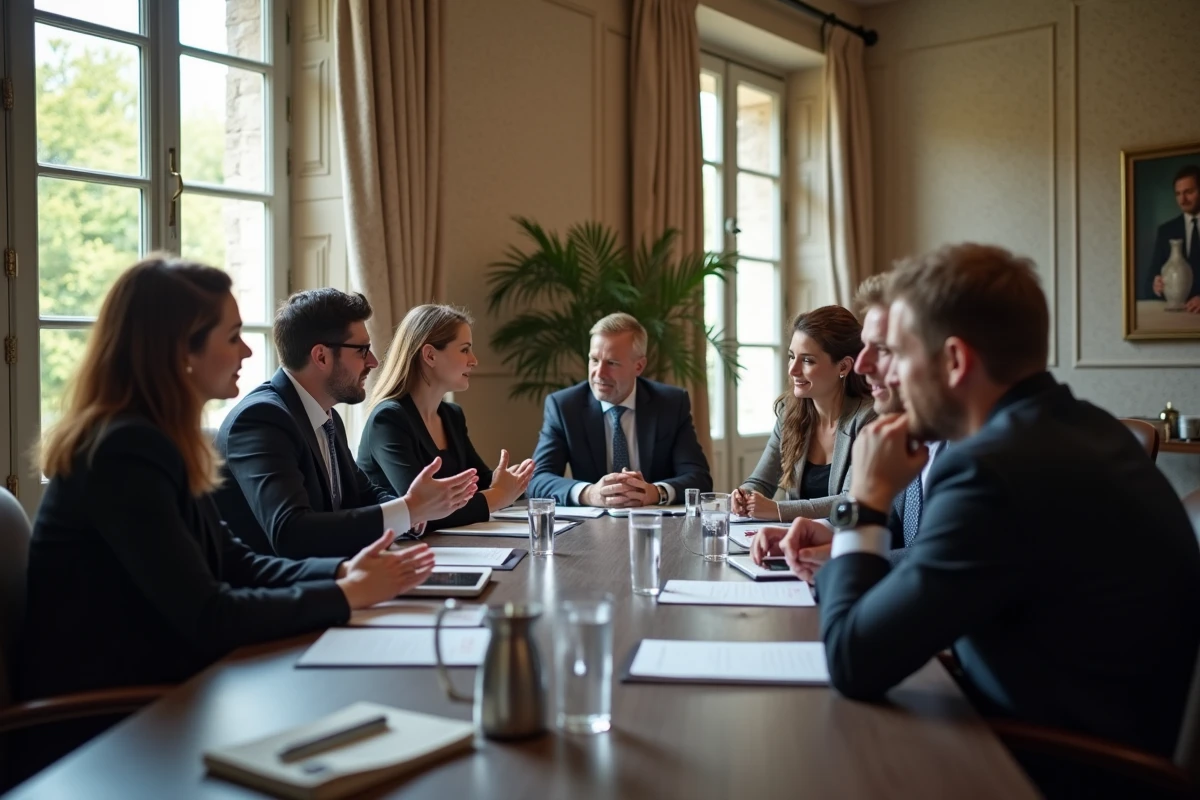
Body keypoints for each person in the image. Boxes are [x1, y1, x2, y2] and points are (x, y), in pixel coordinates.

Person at [800, 244, 1200, 794]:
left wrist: (862, 504)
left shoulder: (994, 471)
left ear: (956, 361)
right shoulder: (1084, 429)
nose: (868, 367)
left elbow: (852, 661)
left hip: (1049, 771)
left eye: (894, 350)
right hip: (1046, 727)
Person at [19, 257, 437, 773]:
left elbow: (235, 562)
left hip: (169, 692)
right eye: (233, 335)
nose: (245, 350)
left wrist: (342, 573)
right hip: (113, 730)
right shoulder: (122, 451)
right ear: (181, 350)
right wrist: (345, 593)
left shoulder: (158, 438)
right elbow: (208, 614)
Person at [214, 289, 478, 558]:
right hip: (281, 593)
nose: (373, 362)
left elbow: (363, 494)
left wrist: (417, 512)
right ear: (321, 357)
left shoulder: (327, 417)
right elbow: (292, 533)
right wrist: (409, 509)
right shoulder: (261, 419)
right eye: (362, 350)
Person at [753, 275, 944, 576]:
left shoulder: (970, 453)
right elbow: (893, 529)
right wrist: (827, 539)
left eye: (883, 349)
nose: (863, 364)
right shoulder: (914, 434)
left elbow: (934, 562)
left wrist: (842, 558)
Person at [358, 305, 535, 530]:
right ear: (430, 355)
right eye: (464, 350)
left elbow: (479, 482)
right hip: (398, 553)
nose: (474, 360)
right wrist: (499, 495)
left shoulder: (452, 415)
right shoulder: (388, 420)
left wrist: (508, 482)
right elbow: (423, 509)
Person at [527, 313, 712, 507]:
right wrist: (589, 494)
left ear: (639, 366)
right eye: (594, 360)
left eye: (612, 363)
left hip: (655, 525)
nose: (599, 374)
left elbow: (699, 478)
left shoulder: (670, 404)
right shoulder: (565, 407)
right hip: (590, 529)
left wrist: (655, 493)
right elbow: (538, 479)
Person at [732, 306, 875, 522]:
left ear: (843, 366)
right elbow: (762, 482)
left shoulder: (867, 419)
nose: (793, 369)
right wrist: (744, 495)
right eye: (791, 357)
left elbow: (850, 501)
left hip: (841, 543)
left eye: (807, 360)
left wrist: (779, 510)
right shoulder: (790, 413)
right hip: (791, 541)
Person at [1145, 163, 1200, 311]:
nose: (1182, 200)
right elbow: (1151, 278)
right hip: (1177, 315)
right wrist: (1155, 285)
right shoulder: (1166, 231)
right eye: (1178, 194)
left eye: (1189, 192)